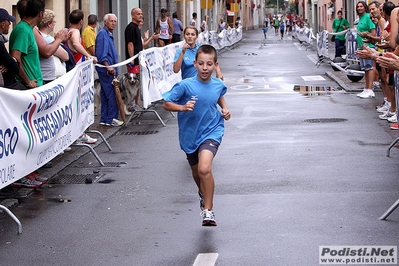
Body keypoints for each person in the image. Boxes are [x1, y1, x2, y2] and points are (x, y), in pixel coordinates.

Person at [162, 44, 231, 226]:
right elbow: (166, 103)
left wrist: (224, 109)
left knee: (204, 168)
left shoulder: (218, 84)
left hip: (212, 130)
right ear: (195, 64)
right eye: (201, 64)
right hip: (190, 134)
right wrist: (182, 107)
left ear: (215, 64)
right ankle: (203, 192)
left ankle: (208, 211)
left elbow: (218, 95)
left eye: (209, 64)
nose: (205, 68)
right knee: (196, 172)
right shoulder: (185, 85)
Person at [9, 0, 45, 89]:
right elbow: (15, 58)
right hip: (28, 88)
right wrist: (28, 81)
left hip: (34, 85)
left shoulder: (28, 28)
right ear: (40, 14)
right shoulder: (23, 30)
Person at [95, 13, 123, 127]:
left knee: (105, 94)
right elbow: (102, 54)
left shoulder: (108, 34)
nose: (113, 23)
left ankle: (105, 118)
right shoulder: (103, 34)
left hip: (108, 68)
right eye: (111, 21)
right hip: (107, 70)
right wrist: (108, 66)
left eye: (115, 21)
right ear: (105, 22)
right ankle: (111, 118)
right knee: (111, 94)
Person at [36, 9, 69, 83]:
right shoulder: (47, 38)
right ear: (49, 24)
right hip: (48, 77)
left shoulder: (39, 36)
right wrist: (58, 40)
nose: (54, 24)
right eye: (54, 22)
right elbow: (65, 56)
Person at [354, 1, 376, 99]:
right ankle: (366, 88)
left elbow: (373, 33)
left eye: (361, 6)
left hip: (368, 47)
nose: (359, 8)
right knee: (365, 69)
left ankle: (370, 89)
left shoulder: (368, 17)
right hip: (361, 47)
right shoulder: (360, 18)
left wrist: (367, 43)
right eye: (358, 7)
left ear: (365, 7)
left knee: (369, 68)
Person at [0, 8, 26, 90]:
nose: (10, 24)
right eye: (8, 21)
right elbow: (15, 68)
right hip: (7, 87)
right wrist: (13, 60)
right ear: (3, 24)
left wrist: (10, 61)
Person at [125, 8, 144, 110]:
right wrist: (132, 59)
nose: (140, 15)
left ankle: (135, 104)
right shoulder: (131, 28)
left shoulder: (136, 27)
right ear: (133, 16)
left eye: (141, 14)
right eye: (138, 14)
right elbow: (130, 44)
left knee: (137, 83)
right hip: (133, 61)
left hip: (137, 60)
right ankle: (132, 104)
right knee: (133, 83)